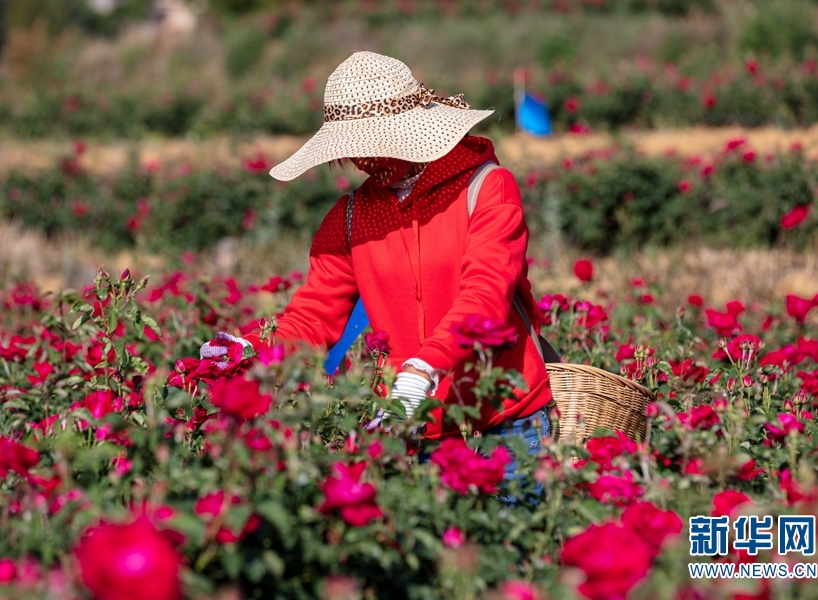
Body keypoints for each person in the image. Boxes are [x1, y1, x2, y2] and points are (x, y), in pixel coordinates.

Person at [201, 51, 554, 480]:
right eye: (352, 150)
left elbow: (485, 294)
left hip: (506, 423)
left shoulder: (485, 188)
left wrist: (425, 366)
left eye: (370, 145)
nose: (363, 161)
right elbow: (314, 317)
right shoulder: (351, 215)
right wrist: (251, 348)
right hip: (412, 429)